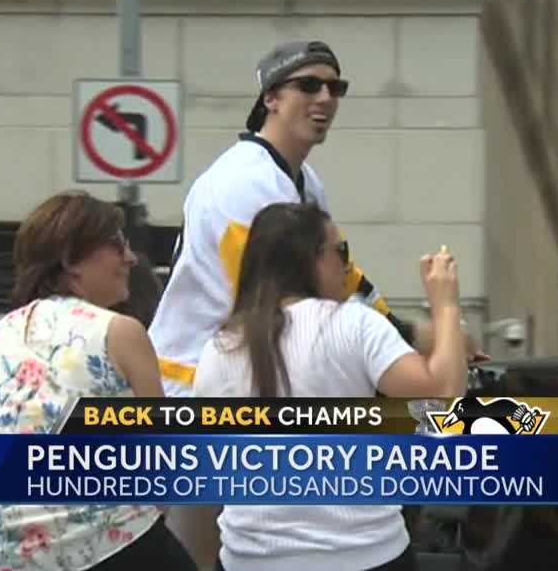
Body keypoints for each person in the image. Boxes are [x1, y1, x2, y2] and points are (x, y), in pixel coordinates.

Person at [148, 40, 481, 399]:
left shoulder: (305, 181)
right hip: (194, 383)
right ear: (270, 99)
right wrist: (422, 337)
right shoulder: (242, 182)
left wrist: (420, 337)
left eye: (335, 88)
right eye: (308, 85)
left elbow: (346, 280)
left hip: (254, 374)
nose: (325, 97)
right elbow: (276, 290)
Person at [190, 202, 469, 571]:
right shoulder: (350, 323)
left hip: (247, 569)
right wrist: (446, 303)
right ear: (310, 259)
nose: (347, 266)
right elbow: (443, 392)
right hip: (364, 561)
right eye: (340, 251)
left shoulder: (219, 349)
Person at [0, 190, 203, 571]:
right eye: (116, 244)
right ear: (71, 260)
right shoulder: (117, 331)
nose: (130, 258)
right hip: (105, 558)